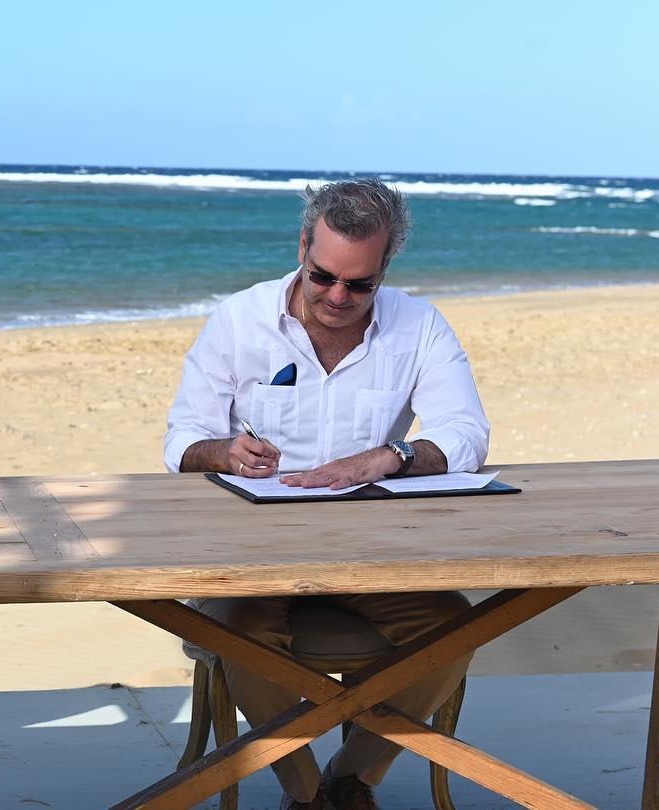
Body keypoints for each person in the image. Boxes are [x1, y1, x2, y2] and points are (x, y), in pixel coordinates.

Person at [163, 179, 489, 810]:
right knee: (241, 634)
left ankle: (352, 775)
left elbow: (467, 435)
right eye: (323, 277)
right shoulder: (239, 319)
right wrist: (224, 452)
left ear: (385, 267)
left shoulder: (420, 325)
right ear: (302, 247)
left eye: (360, 285)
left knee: (455, 628)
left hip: (374, 552)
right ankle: (306, 793)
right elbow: (182, 442)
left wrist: (392, 456)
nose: (338, 296)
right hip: (252, 555)